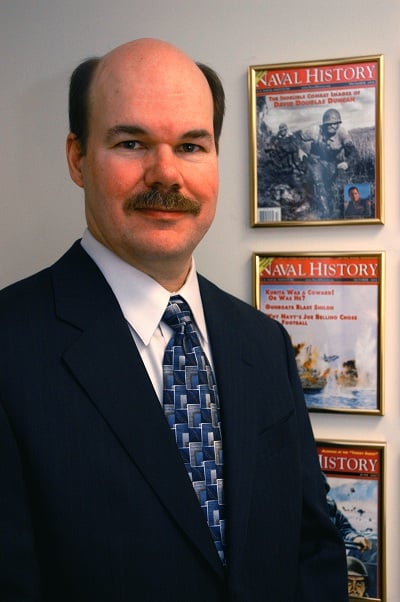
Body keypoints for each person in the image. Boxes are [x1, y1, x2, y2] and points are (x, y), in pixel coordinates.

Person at [0, 38, 348, 601]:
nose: (166, 174)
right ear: (77, 158)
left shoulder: (263, 342)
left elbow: (314, 548)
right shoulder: (11, 347)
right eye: (131, 142)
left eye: (190, 145)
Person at [301, 108, 358, 218]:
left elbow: (353, 152)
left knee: (333, 184)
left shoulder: (342, 133)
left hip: (331, 161)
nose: (332, 126)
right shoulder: (315, 130)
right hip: (315, 159)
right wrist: (300, 151)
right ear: (324, 124)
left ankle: (335, 207)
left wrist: (347, 162)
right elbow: (296, 136)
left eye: (335, 123)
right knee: (318, 182)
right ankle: (324, 210)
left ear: (339, 124)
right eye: (329, 124)